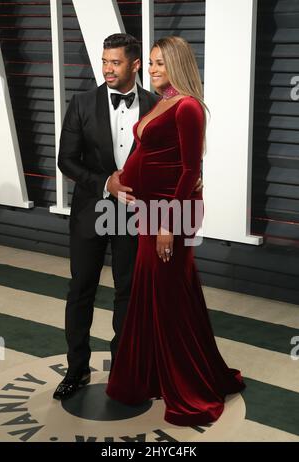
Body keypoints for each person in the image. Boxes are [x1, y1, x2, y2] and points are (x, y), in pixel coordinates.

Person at [53, 32, 203, 400]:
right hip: (92, 210)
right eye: (104, 61)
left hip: (137, 216)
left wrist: (187, 188)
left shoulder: (161, 105)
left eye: (115, 62)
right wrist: (107, 183)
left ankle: (124, 370)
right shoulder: (82, 102)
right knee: (80, 291)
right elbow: (66, 160)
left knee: (129, 293)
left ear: (135, 65)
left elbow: (176, 162)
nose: (107, 69)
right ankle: (76, 370)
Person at [106, 36, 245, 426]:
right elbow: (149, 153)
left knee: (168, 299)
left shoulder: (188, 107)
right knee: (157, 294)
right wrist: (119, 179)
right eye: (149, 63)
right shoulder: (163, 101)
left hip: (171, 217)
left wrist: (169, 222)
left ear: (178, 65)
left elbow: (189, 170)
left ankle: (190, 388)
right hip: (151, 212)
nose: (151, 70)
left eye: (159, 64)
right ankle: (152, 376)